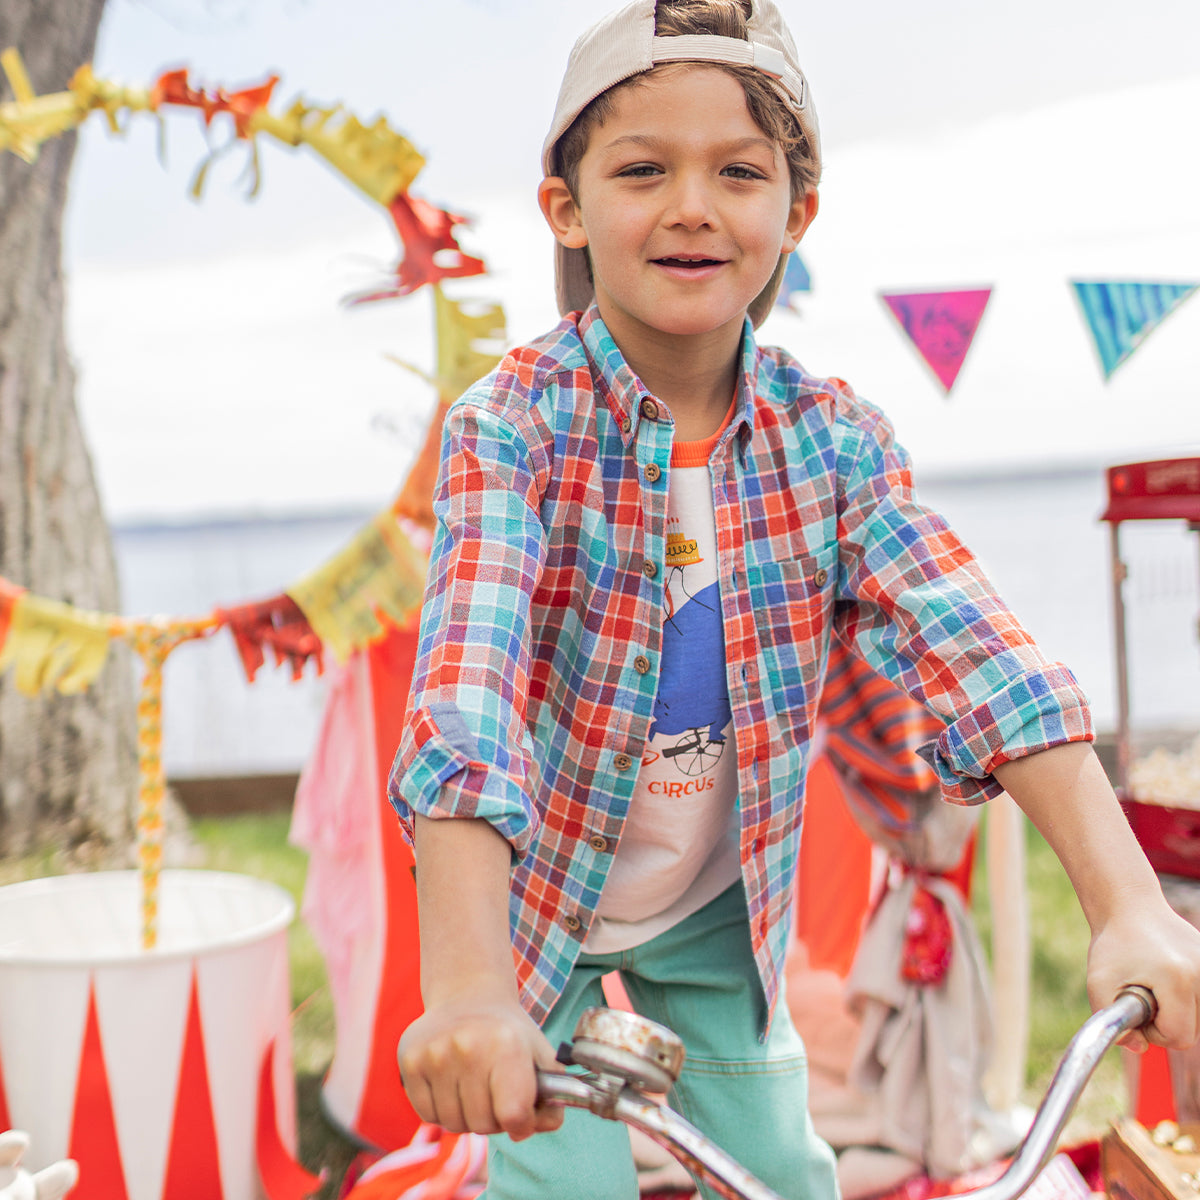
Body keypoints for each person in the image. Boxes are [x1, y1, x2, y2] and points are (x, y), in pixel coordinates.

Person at [387, 2, 1200, 1197]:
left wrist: (1131, 903)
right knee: (565, 1183)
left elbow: (986, 655)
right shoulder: (509, 431)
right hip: (526, 904)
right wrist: (464, 987)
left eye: (738, 172)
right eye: (642, 169)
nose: (692, 205)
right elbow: (464, 705)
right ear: (566, 205)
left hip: (715, 904)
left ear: (795, 213)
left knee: (780, 1171)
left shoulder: (835, 442)